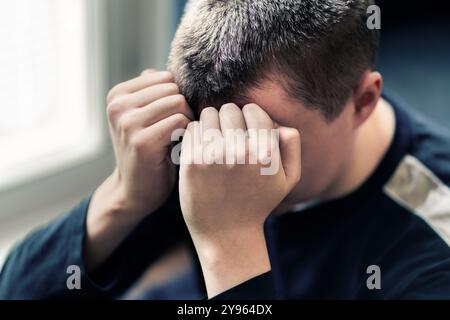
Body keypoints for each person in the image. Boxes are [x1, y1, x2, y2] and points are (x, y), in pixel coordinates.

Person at [1, 0, 450, 300]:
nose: (217, 153)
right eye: (200, 121)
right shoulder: (196, 138)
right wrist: (123, 196)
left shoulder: (433, 251)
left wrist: (230, 247)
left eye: (257, 133)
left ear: (362, 102)